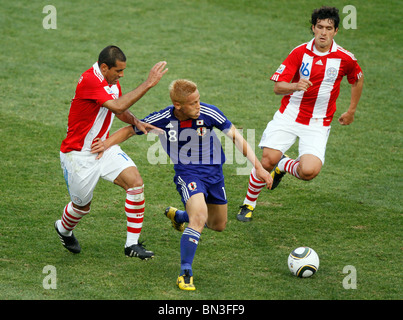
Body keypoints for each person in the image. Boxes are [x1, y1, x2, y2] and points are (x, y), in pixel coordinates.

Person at [91, 79, 273, 290]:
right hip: (188, 175)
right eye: (193, 103)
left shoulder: (209, 112)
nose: (199, 106)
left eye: (198, 100)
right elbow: (131, 130)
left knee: (218, 225)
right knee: (198, 218)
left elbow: (236, 137)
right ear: (178, 105)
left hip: (215, 175)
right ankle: (185, 271)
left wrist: (258, 167)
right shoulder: (163, 118)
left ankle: (179, 216)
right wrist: (105, 144)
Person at [237, 6, 364, 222]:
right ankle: (249, 203)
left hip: (318, 122)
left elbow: (357, 79)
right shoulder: (299, 53)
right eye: (320, 27)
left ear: (336, 31)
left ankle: (283, 165)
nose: (323, 32)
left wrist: (351, 110)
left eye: (329, 28)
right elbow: (278, 87)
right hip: (289, 115)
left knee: (309, 172)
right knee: (267, 160)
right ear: (313, 28)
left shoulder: (345, 58)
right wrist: (295, 86)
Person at [55, 45, 168, 259]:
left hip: (103, 147)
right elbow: (116, 106)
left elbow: (121, 110)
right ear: (104, 67)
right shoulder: (90, 80)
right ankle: (63, 228)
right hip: (78, 155)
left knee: (135, 182)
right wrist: (149, 83)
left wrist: (135, 121)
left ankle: (131, 245)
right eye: (118, 71)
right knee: (81, 207)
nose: (121, 75)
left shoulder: (112, 82)